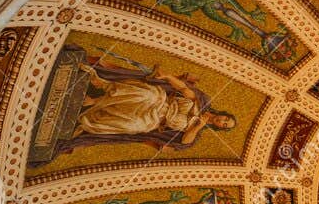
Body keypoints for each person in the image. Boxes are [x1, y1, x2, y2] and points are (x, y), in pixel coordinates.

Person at [61, 61, 235, 153]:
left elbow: (184, 141)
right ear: (223, 114)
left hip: (154, 119)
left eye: (225, 125)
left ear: (219, 128)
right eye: (226, 119)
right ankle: (102, 89)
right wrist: (167, 76)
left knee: (133, 126)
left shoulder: (196, 132)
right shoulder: (203, 102)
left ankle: (89, 120)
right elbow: (183, 89)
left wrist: (199, 126)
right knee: (147, 94)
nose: (223, 121)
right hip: (160, 102)